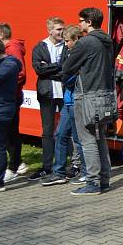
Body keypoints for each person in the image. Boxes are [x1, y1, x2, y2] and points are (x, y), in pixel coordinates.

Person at [61, 7, 114, 196]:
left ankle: (92, 182)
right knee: (100, 138)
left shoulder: (85, 42)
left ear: (89, 22)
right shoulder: (107, 40)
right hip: (105, 95)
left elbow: (67, 67)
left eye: (81, 21)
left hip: (87, 95)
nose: (79, 24)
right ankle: (105, 179)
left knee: (87, 139)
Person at [42, 25, 85, 186]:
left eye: (68, 41)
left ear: (76, 39)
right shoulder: (69, 52)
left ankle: (83, 170)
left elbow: (70, 75)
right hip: (68, 100)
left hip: (76, 100)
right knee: (60, 134)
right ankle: (59, 172)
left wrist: (63, 76)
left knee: (78, 138)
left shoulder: (81, 53)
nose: (65, 44)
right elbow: (62, 71)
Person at [0, 23, 28, 182]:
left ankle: (15, 165)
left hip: (8, 100)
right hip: (3, 101)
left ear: (0, 36)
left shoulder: (12, 50)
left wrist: (8, 86)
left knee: (9, 134)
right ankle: (15, 163)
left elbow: (20, 74)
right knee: (6, 135)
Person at [28, 18, 64, 181]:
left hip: (64, 93)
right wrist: (58, 66)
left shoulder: (66, 46)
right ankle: (46, 167)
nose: (61, 32)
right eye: (58, 29)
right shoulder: (40, 47)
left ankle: (66, 166)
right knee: (48, 131)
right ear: (49, 30)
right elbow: (39, 69)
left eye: (62, 29)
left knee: (66, 130)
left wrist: (50, 67)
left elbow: (68, 67)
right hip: (46, 92)